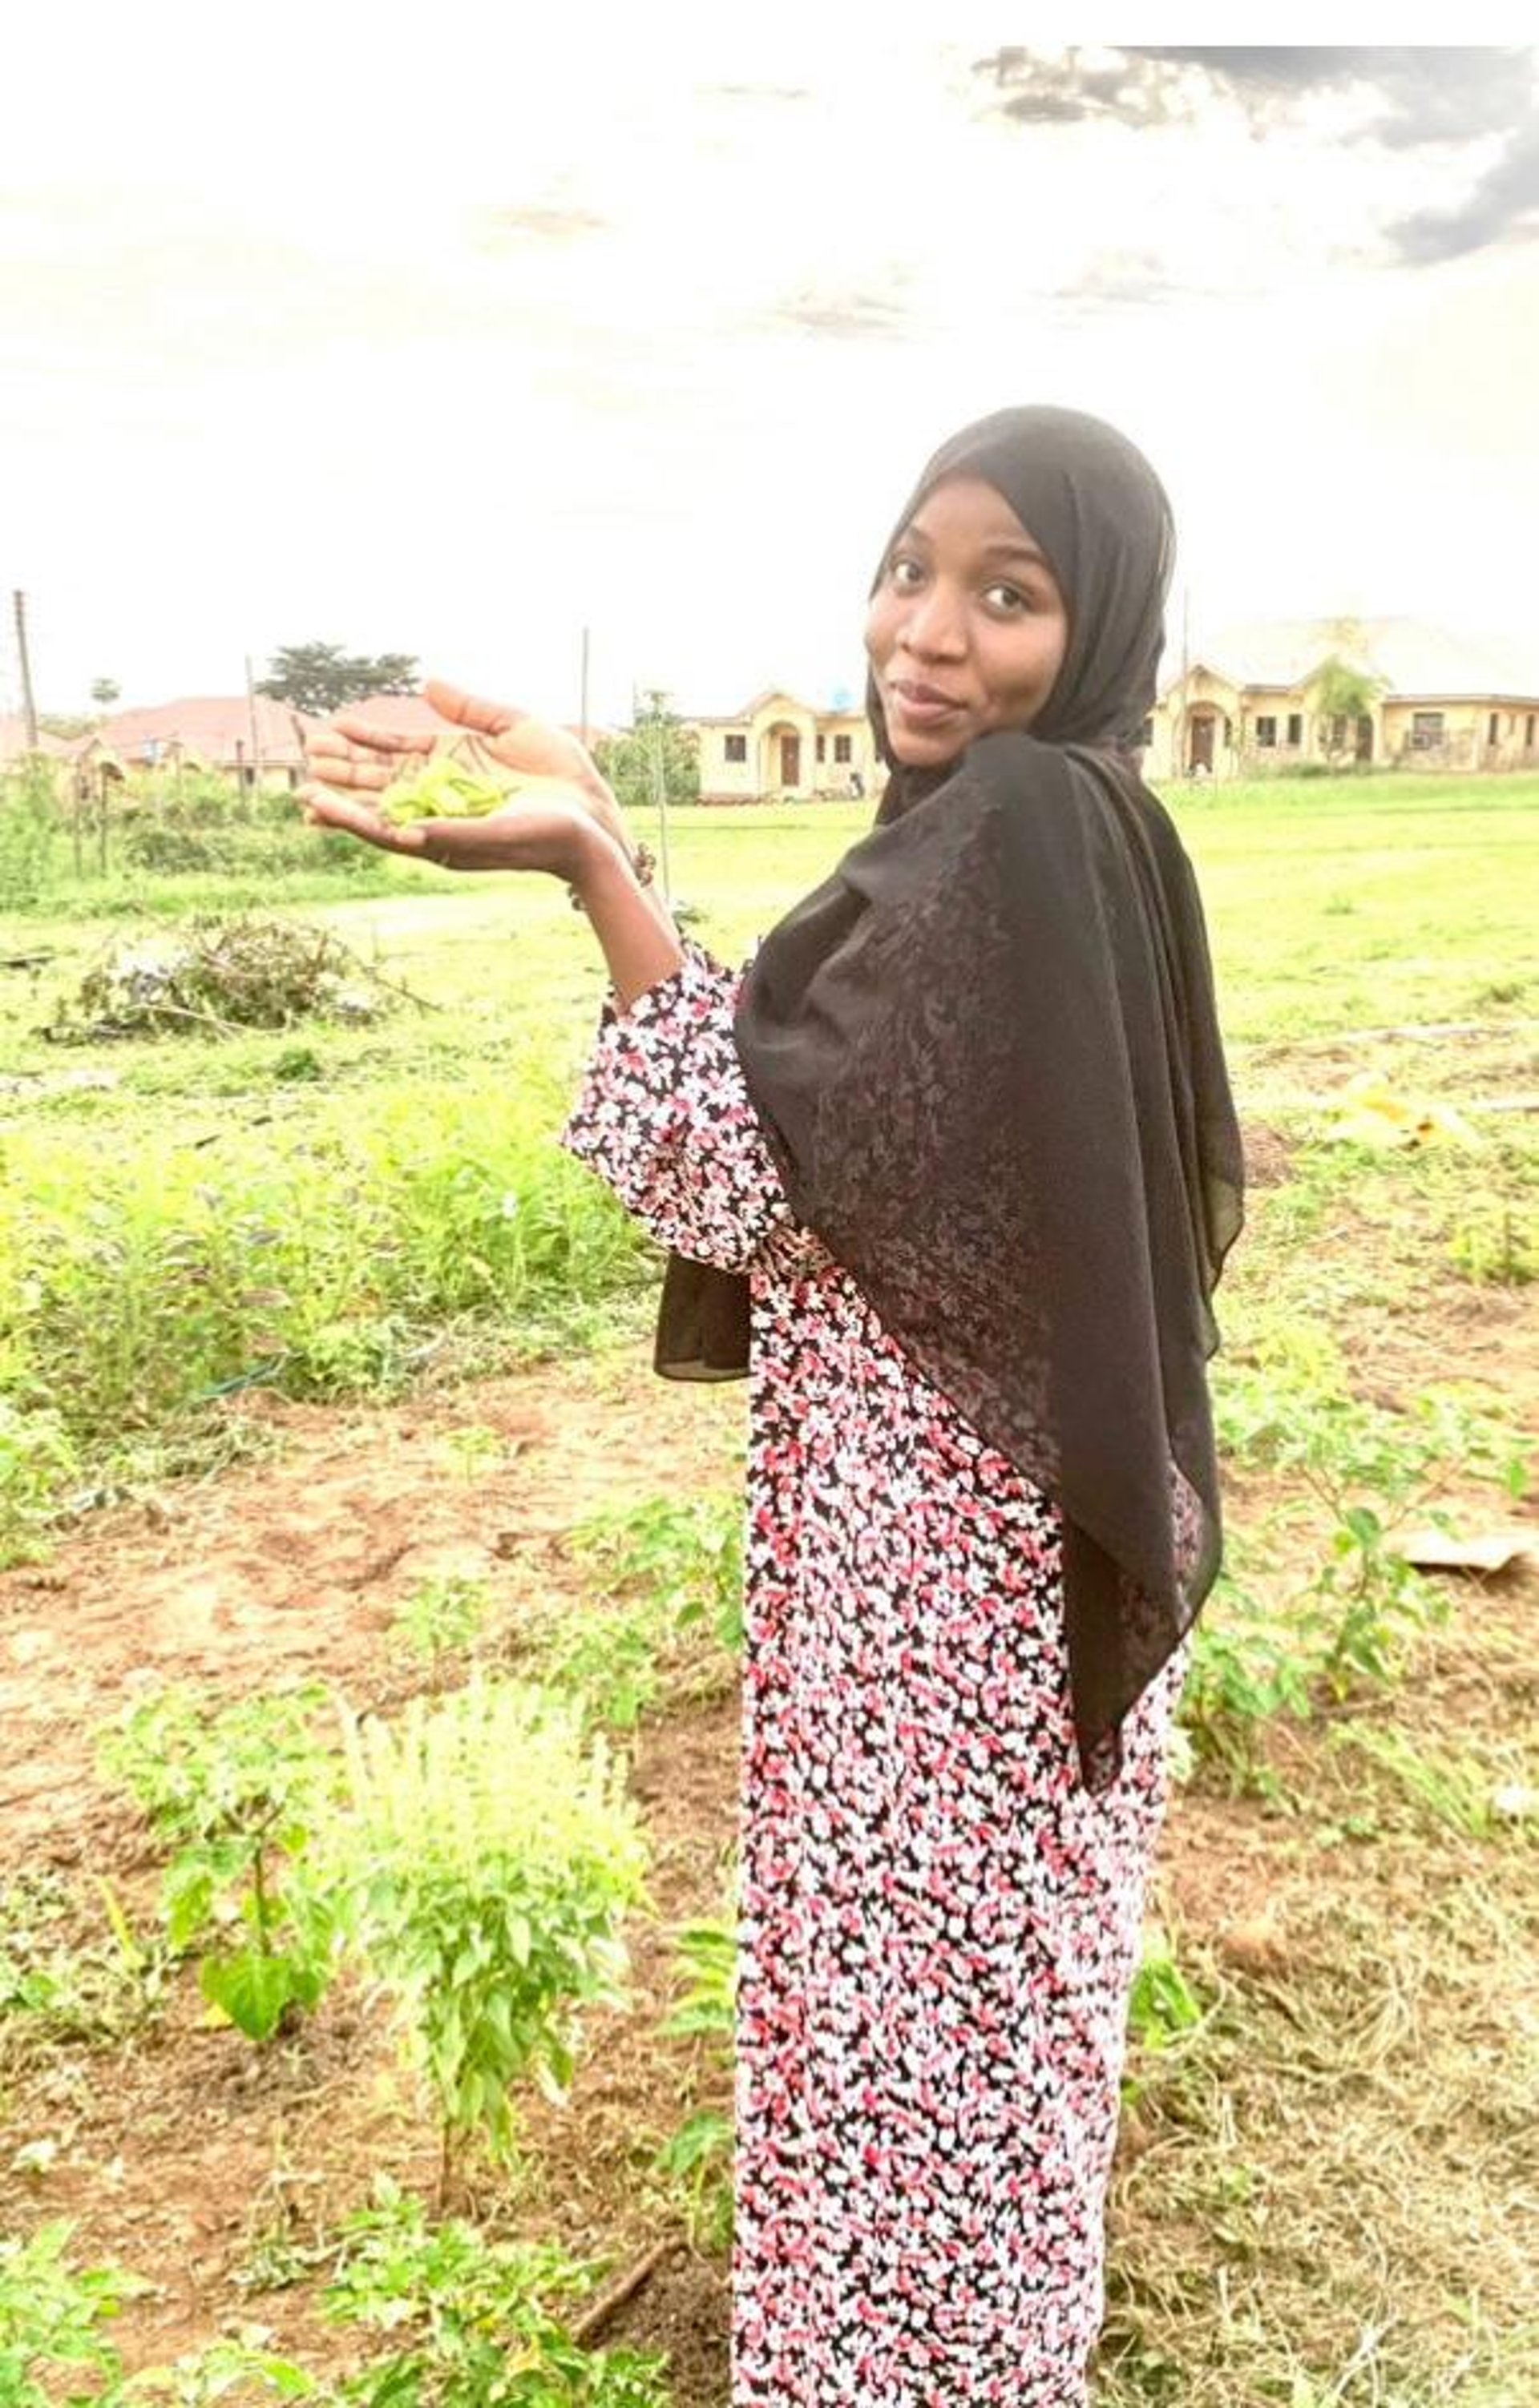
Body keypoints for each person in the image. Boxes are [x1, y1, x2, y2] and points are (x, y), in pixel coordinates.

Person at [299, 404, 1244, 2407]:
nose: (928, 629)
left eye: (1009, 593)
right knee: (987, 2085)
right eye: (910, 568)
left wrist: (581, 862)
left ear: (1102, 628)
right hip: (997, 1574)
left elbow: (729, 1163)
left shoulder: (1011, 831)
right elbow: (827, 1110)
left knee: (907, 2084)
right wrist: (613, 835)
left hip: (939, 1611)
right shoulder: (1083, 824)